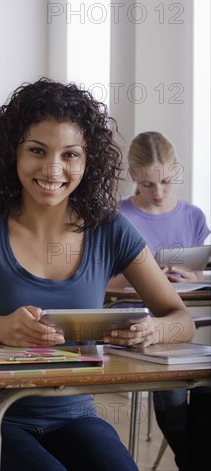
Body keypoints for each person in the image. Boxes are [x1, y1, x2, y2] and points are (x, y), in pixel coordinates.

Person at [0, 79, 195, 471]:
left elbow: (180, 319)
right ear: (12, 152)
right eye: (36, 151)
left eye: (70, 154)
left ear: (88, 160)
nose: (53, 169)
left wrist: (154, 331)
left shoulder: (109, 228)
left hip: (76, 416)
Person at [107, 131, 210, 471]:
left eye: (166, 182)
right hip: (134, 322)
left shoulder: (193, 216)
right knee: (173, 394)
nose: (158, 193)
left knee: (206, 386)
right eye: (148, 185)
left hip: (183, 320)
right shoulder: (116, 217)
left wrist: (188, 276)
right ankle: (194, 461)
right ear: (134, 176)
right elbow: (101, 283)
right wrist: (146, 274)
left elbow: (198, 274)